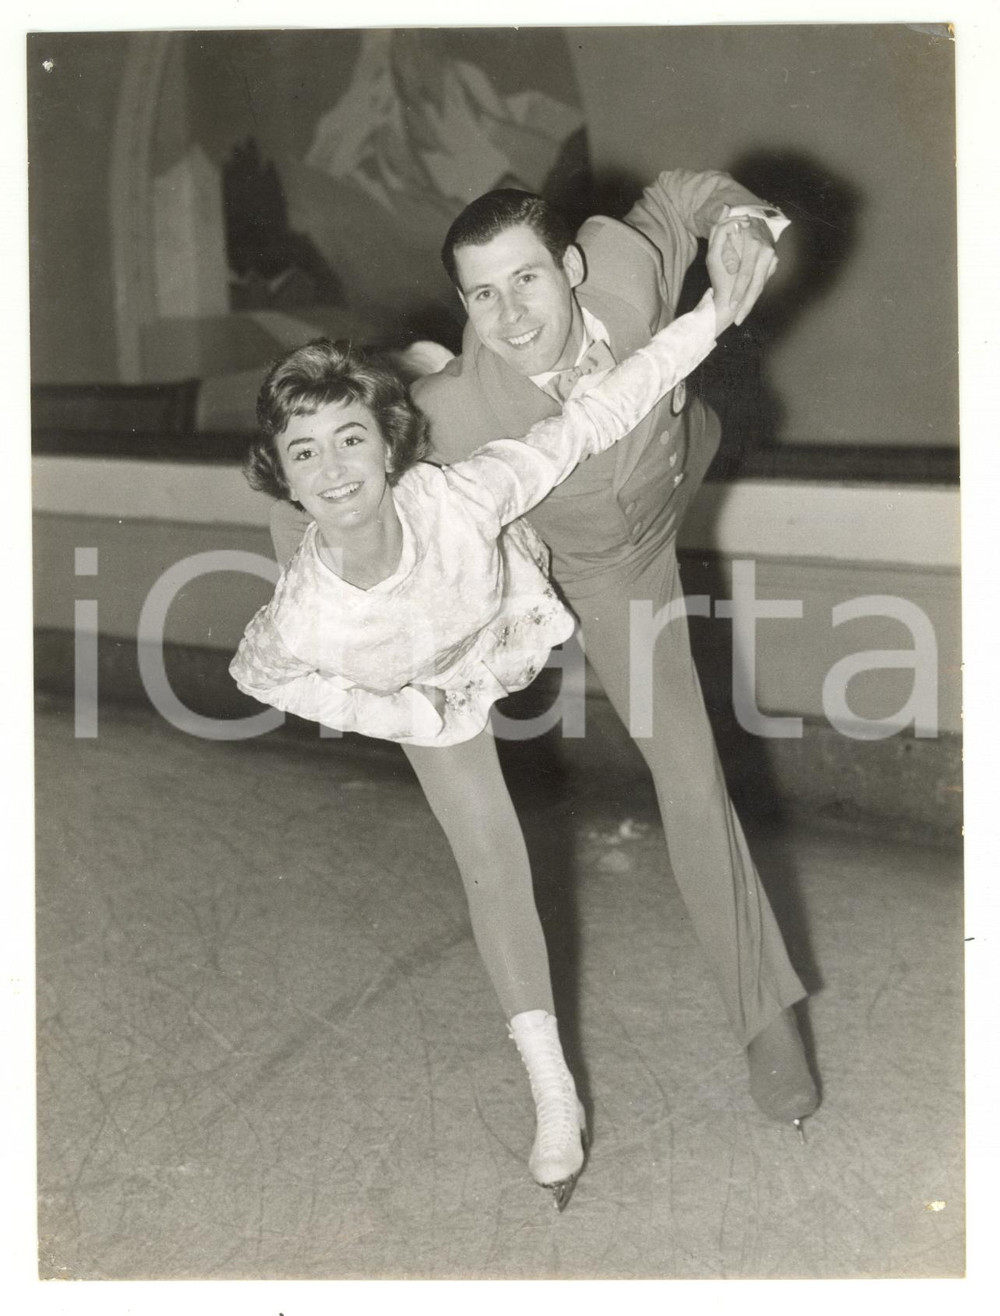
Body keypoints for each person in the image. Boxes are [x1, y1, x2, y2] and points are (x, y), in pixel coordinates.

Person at [271, 168, 821, 1134]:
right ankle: (753, 1024)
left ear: (569, 267)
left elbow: (686, 191)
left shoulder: (622, 263)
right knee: (667, 767)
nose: (512, 313)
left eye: (526, 281)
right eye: (483, 295)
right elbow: (313, 466)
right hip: (559, 560)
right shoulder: (450, 412)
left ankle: (763, 1015)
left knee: (690, 779)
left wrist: (741, 219)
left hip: (661, 501)